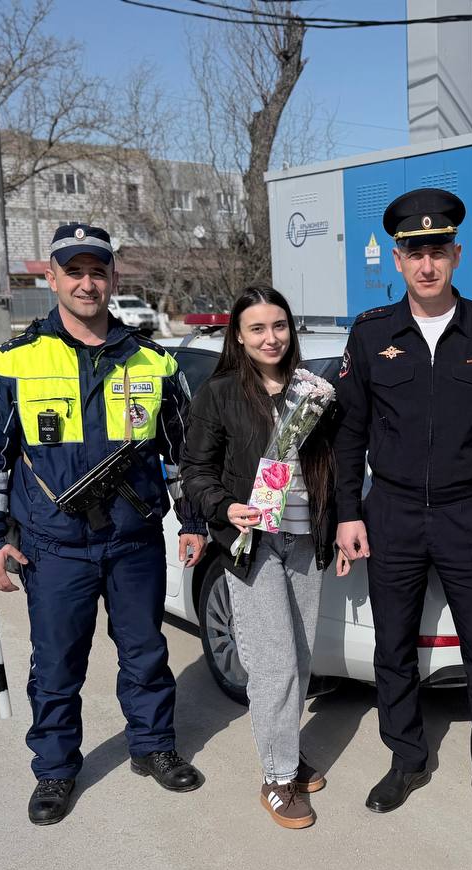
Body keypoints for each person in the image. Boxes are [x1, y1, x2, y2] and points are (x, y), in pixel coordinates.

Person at [0, 223, 207, 826]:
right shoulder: (13, 362)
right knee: (56, 663)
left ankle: (152, 747)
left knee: (146, 651)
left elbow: (184, 453)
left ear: (113, 278)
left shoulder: (154, 360)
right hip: (54, 545)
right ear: (53, 278)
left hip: (134, 542)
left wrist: (194, 520)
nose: (87, 283)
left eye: (98, 271)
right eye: (75, 271)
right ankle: (55, 770)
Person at [334, 187, 472, 824]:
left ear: (456, 253)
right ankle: (405, 760)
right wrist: (347, 511)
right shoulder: (370, 335)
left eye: (438, 250)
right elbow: (350, 433)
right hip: (391, 511)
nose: (426, 264)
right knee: (393, 644)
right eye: (413, 251)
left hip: (468, 509)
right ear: (396, 260)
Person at [180, 286, 335, 830]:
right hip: (252, 545)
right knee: (272, 663)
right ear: (239, 337)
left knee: (299, 656)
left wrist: (335, 533)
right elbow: (195, 471)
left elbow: (328, 471)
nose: (271, 338)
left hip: (303, 540)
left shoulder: (314, 392)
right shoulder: (220, 394)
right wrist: (225, 508)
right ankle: (275, 775)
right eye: (257, 329)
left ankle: (286, 749)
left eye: (279, 326)